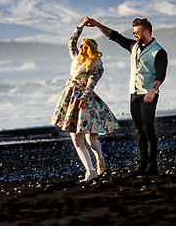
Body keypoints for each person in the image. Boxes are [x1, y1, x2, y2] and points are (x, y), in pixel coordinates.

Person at [84, 16, 168, 176]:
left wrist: (152, 91)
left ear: (146, 31)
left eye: (137, 32)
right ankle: (142, 164)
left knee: (148, 128)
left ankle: (153, 165)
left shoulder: (159, 51)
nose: (134, 35)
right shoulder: (134, 46)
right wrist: (96, 25)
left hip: (149, 94)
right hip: (134, 94)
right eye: (134, 32)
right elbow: (114, 36)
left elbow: (161, 75)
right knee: (138, 129)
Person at [51, 19, 119, 181]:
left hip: (85, 101)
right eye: (81, 47)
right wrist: (80, 27)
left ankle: (99, 158)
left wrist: (84, 97)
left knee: (91, 139)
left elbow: (91, 84)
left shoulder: (96, 65)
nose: (82, 49)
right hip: (69, 97)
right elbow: (71, 44)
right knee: (75, 137)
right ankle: (90, 171)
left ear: (92, 50)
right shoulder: (76, 59)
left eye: (85, 47)